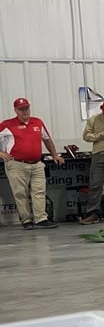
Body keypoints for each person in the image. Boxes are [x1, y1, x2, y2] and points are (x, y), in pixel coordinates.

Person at [0, 98, 64, 230]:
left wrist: (55, 155)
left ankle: (41, 218)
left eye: (26, 108)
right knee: (20, 193)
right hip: (16, 164)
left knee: (39, 191)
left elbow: (47, 139)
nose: (25, 111)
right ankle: (26, 220)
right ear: (16, 110)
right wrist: (1, 153)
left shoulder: (38, 122)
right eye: (21, 109)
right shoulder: (7, 124)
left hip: (36, 163)